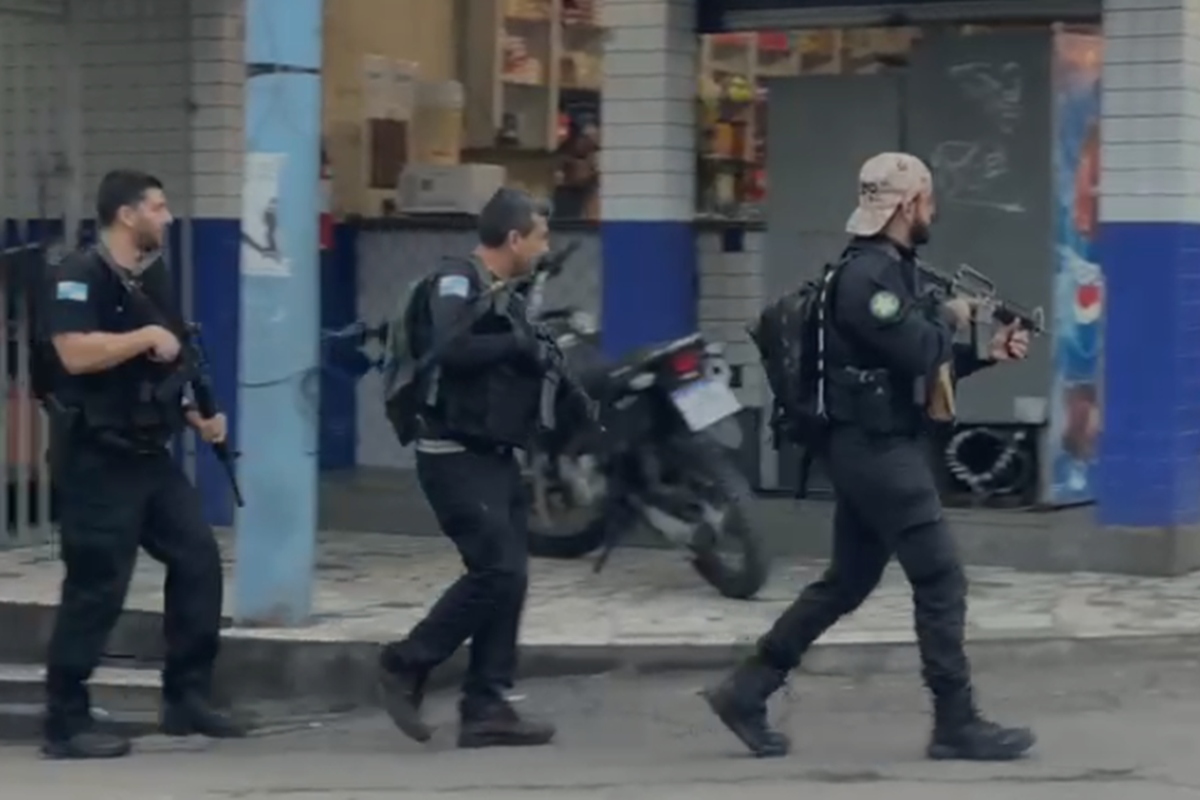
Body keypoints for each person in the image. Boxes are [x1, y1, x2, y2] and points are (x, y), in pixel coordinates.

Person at [704, 153, 1036, 762]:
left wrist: (985, 352)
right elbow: (919, 349)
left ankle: (746, 690)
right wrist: (951, 312)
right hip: (877, 451)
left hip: (877, 446)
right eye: (927, 200)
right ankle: (956, 722)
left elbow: (915, 370)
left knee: (848, 582)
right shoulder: (866, 281)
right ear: (907, 205)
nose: (933, 210)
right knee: (940, 578)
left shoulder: (892, 270)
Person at [40, 169, 245, 759]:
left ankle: (186, 697)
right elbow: (73, 353)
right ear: (127, 215)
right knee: (97, 587)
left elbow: (163, 366)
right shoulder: (78, 274)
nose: (168, 216)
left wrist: (196, 415)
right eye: (157, 207)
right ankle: (65, 721)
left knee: (198, 560)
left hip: (149, 454)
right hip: (96, 458)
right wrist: (145, 336)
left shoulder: (152, 277)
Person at [378, 187, 557, 749]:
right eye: (540, 237)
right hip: (452, 456)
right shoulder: (456, 281)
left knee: (512, 575)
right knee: (495, 570)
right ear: (514, 239)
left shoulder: (508, 292)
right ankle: (406, 663)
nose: (545, 247)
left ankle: (486, 706)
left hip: (493, 455)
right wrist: (516, 345)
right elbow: (451, 348)